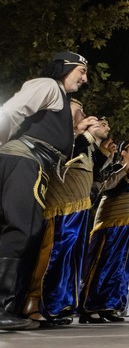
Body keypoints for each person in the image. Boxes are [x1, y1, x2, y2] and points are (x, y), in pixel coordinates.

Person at [0, 51, 89, 331]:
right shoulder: (48, 85)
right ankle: (2, 309)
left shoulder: (58, 96)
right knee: (22, 229)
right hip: (25, 159)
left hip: (33, 162)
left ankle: (10, 307)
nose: (85, 79)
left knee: (27, 231)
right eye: (82, 71)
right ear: (64, 67)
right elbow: (12, 110)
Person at [20, 99, 104, 326]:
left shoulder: (82, 141)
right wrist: (83, 134)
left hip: (79, 207)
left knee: (70, 258)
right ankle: (36, 303)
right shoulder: (60, 136)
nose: (84, 114)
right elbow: (61, 157)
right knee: (52, 254)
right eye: (79, 110)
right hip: (59, 206)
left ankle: (59, 305)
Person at [79, 140, 129, 323]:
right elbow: (108, 188)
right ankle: (89, 306)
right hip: (110, 222)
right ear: (123, 152)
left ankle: (110, 306)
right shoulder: (114, 167)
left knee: (121, 265)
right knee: (104, 262)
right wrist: (124, 171)